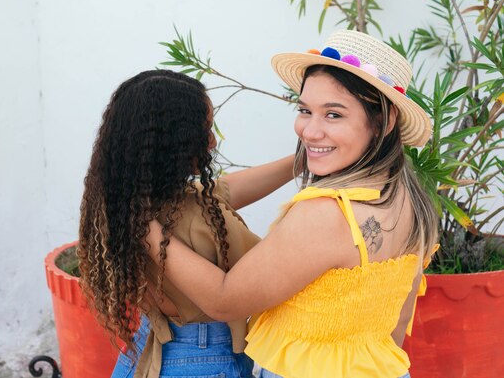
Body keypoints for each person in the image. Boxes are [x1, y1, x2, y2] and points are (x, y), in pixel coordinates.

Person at [145, 30, 440, 378]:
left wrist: (144, 227)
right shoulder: (411, 200)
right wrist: (310, 157)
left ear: (385, 121)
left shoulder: (327, 214)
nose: (309, 130)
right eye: (305, 110)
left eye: (334, 115)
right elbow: (397, 325)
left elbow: (224, 299)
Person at [77, 69, 295, 378]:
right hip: (201, 362)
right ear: (171, 143)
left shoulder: (133, 202)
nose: (212, 141)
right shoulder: (184, 222)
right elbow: (225, 298)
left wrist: (302, 160)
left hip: (151, 350)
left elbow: (225, 189)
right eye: (204, 130)